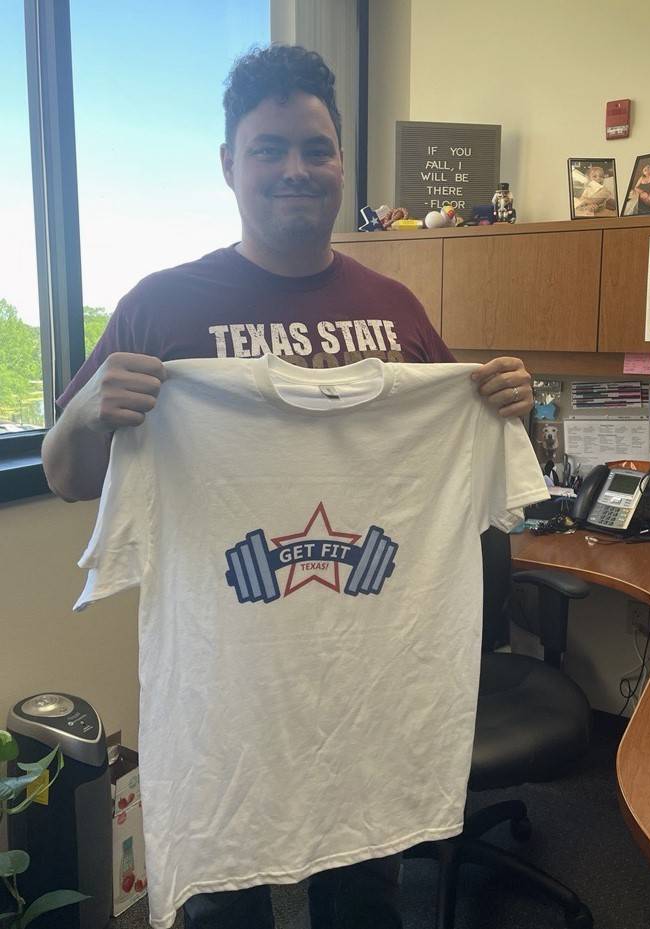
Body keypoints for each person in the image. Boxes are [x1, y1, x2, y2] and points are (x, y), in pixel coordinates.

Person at [42, 44, 535, 929]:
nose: (295, 170)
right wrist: (86, 416)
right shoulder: (162, 306)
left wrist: (506, 408)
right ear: (230, 164)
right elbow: (68, 477)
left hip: (365, 694)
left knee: (363, 903)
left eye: (316, 148)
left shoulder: (399, 312)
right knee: (224, 905)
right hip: (222, 695)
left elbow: (473, 466)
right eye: (268, 149)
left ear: (341, 161)